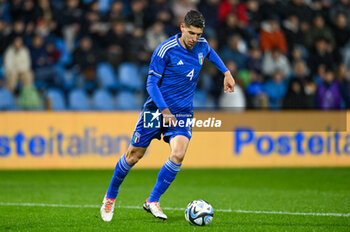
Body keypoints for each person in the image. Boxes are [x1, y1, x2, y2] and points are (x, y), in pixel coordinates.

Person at [100, 10, 235, 222]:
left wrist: (226, 73)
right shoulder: (166, 49)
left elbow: (210, 52)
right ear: (182, 27)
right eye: (191, 33)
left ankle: (152, 200)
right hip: (156, 112)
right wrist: (165, 111)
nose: (194, 38)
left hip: (182, 113)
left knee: (179, 154)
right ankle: (110, 196)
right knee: (134, 156)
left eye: (198, 34)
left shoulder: (201, 45)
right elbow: (151, 84)